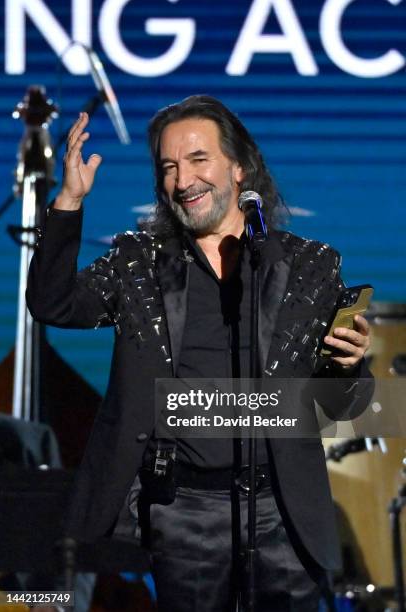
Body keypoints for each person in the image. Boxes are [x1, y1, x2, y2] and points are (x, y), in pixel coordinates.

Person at [26, 95, 373, 612]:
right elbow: (53, 303)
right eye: (168, 167)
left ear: (239, 168)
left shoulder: (309, 265)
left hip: (283, 508)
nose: (182, 180)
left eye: (197, 160)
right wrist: (70, 200)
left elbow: (344, 408)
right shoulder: (139, 261)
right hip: (184, 509)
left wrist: (350, 366)